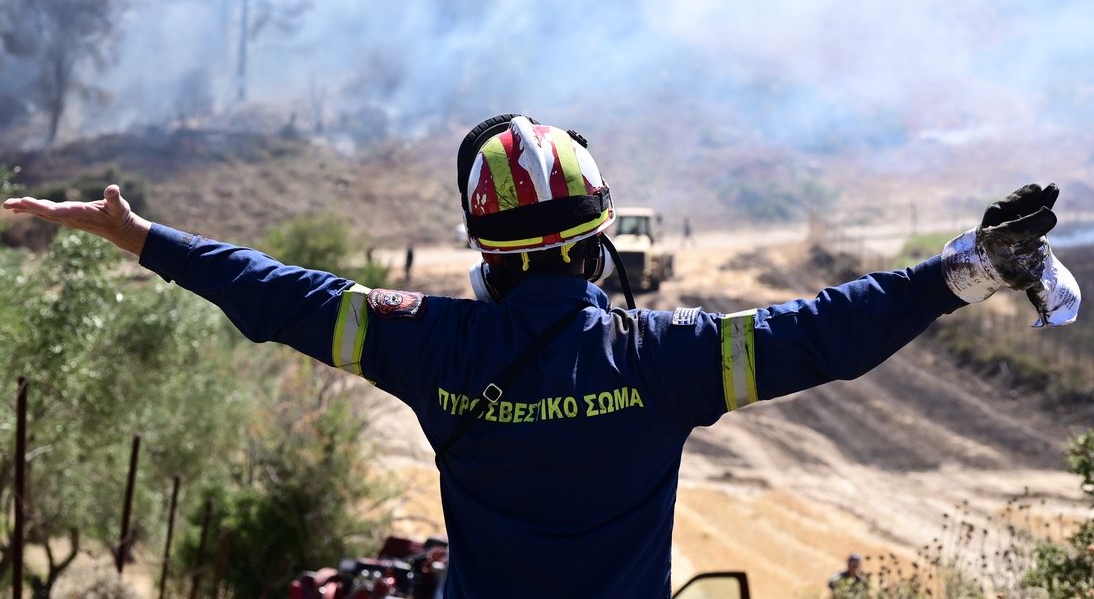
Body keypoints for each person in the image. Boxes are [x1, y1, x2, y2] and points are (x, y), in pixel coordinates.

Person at [2, 114, 1075, 598]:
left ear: (486, 253)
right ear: (600, 244)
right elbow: (827, 331)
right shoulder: (666, 356)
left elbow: (279, 295)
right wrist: (961, 272)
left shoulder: (428, 345)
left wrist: (141, 238)